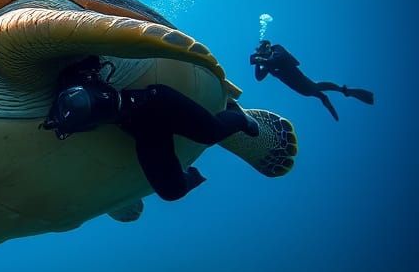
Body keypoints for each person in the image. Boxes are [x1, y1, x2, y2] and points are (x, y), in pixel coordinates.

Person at [42, 57, 259, 201]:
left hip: (157, 103)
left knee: (211, 133)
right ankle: (192, 174)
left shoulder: (83, 69)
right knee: (171, 192)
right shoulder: (59, 104)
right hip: (142, 129)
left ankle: (240, 117)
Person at [249, 40, 374, 121]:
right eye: (259, 52)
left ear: (267, 46)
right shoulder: (267, 64)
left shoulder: (277, 50)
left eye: (262, 50)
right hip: (299, 88)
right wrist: (256, 62)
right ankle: (324, 97)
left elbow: (279, 59)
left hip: (302, 82)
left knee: (315, 87)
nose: (261, 53)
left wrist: (259, 60)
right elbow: (259, 77)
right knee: (314, 91)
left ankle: (343, 90)